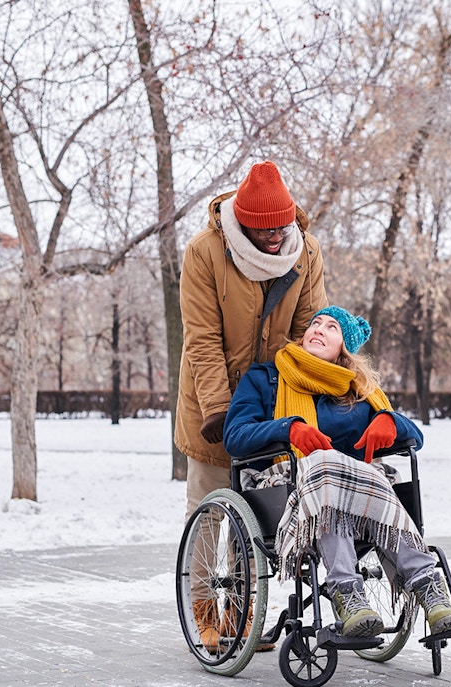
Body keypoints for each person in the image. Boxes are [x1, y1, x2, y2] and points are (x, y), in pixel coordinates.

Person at [223, 306, 451, 638]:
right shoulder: (266, 378)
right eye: (314, 324)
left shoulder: (359, 392)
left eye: (331, 327)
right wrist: (288, 429)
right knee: (325, 466)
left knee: (346, 470)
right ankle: (347, 592)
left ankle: (429, 590)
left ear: (344, 348)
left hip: (357, 496)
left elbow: (416, 438)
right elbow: (234, 436)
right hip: (287, 484)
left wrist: (389, 421)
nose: (318, 329)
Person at [175, 160, 327, 650]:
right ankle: (204, 613)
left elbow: (313, 335)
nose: (272, 239)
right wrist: (219, 410)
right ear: (243, 222)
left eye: (279, 230)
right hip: (212, 409)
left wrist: (319, 401)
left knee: (260, 513)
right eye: (262, 232)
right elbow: (202, 340)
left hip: (271, 406)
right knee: (211, 511)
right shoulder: (205, 252)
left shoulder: (305, 254)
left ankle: (241, 617)